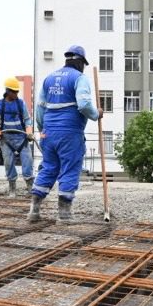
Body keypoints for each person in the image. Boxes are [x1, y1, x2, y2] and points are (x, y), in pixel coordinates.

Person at [29, 45, 103, 222]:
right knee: (70, 169)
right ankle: (64, 215)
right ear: (80, 62)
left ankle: (34, 211)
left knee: (48, 168)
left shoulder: (49, 78)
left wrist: (43, 131)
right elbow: (84, 105)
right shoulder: (79, 78)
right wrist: (96, 114)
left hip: (49, 132)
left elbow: (40, 109)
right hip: (69, 132)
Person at [0, 77, 34, 197]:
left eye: (17, 91)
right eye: (14, 91)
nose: (16, 94)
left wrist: (29, 131)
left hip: (22, 139)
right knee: (8, 163)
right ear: (8, 91)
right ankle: (12, 188)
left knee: (27, 162)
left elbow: (27, 120)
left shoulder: (21, 103)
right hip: (6, 139)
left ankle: (30, 187)